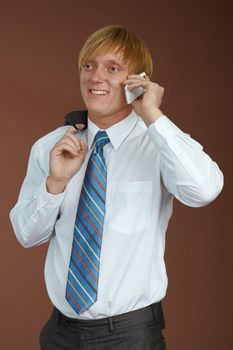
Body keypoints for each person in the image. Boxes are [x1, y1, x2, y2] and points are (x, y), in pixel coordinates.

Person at [10, 25, 224, 350]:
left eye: (112, 68)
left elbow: (205, 189)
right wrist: (55, 184)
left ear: (138, 80)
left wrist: (152, 114)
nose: (96, 77)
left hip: (130, 335)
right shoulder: (51, 147)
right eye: (88, 66)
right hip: (59, 334)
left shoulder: (158, 144)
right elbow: (27, 235)